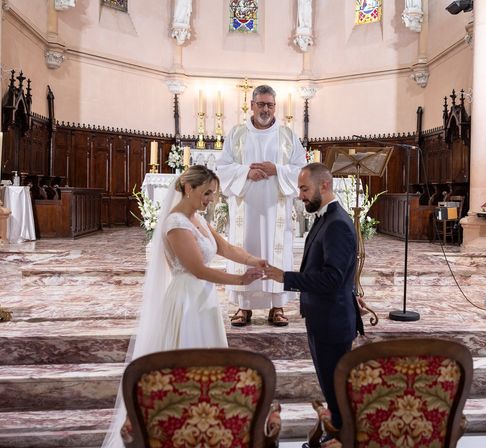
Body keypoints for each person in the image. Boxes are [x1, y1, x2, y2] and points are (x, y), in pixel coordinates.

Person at [102, 165, 265, 448]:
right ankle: (177, 427)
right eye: (207, 193)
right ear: (188, 188)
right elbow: (198, 269)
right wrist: (240, 279)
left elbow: (225, 248)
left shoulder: (197, 219)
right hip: (187, 301)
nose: (211, 199)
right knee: (186, 365)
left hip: (204, 300)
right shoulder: (176, 223)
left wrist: (254, 261)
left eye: (213, 194)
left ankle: (206, 426)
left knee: (210, 365)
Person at [264, 163, 364, 443]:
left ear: (325, 185)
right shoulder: (325, 219)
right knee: (330, 386)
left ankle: (341, 437)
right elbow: (339, 273)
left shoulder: (337, 224)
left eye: (304, 189)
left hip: (332, 321)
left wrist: (286, 277)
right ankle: (334, 433)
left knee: (335, 389)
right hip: (324, 317)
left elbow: (332, 278)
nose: (300, 195)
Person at [217, 85, 307, 327]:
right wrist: (246, 171)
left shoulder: (288, 136)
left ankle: (277, 306)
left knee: (277, 252)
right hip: (246, 207)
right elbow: (222, 168)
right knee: (245, 249)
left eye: (270, 104)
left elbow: (301, 169)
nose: (265, 109)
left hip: (276, 205)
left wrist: (276, 169)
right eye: (261, 104)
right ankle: (243, 307)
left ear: (275, 107)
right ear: (251, 105)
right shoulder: (236, 134)